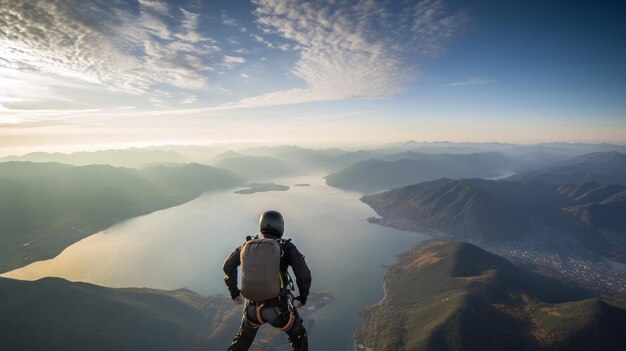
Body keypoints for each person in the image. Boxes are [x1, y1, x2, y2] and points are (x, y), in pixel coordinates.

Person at [223, 210, 312, 351]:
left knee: (243, 340)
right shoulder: (286, 246)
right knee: (300, 337)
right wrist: (303, 298)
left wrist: (234, 292)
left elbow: (228, 266)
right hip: (278, 310)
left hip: (251, 310)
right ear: (280, 227)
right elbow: (304, 275)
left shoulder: (247, 245)